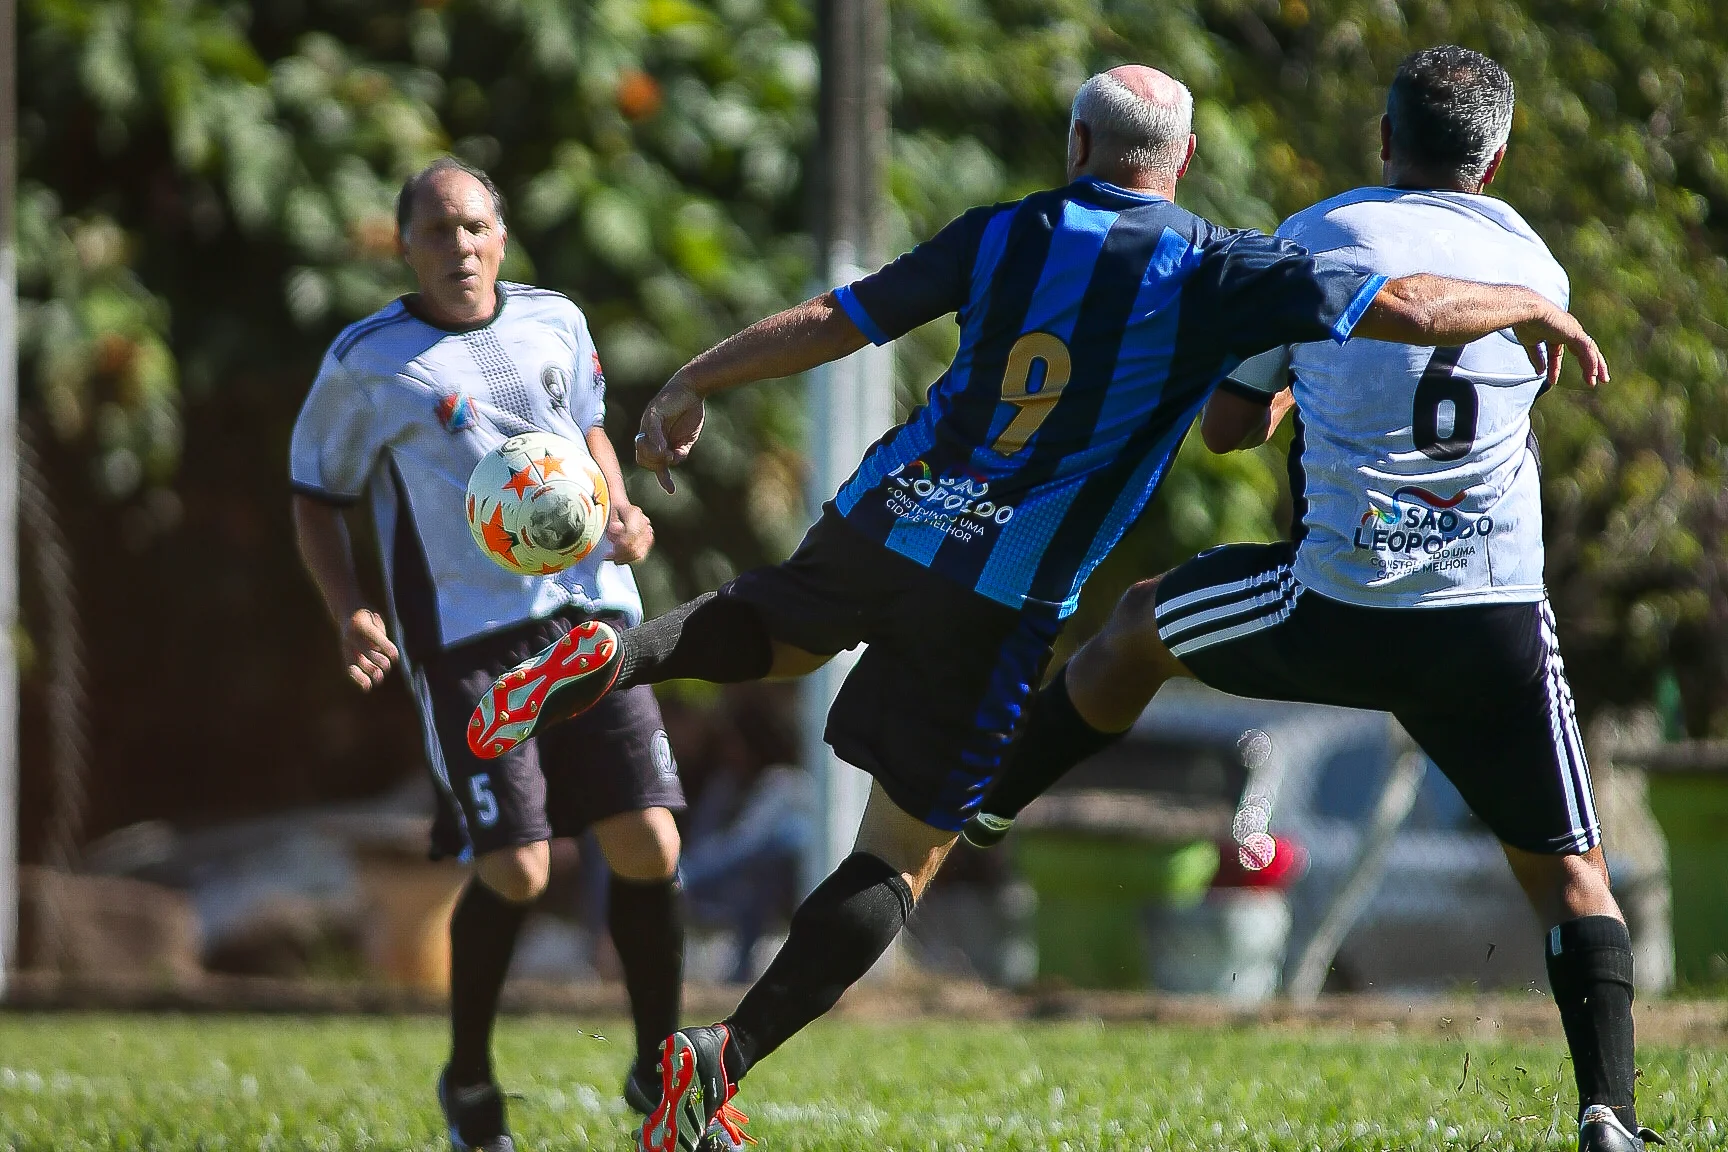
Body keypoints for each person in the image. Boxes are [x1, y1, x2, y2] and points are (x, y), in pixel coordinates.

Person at [468, 65, 1607, 1152]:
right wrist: (1527, 302)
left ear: (1076, 147)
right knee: (902, 858)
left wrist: (698, 378)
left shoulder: (1002, 229)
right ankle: (720, 1056)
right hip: (998, 593)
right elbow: (1404, 308)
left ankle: (614, 654)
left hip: (891, 511)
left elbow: (840, 315)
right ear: (1188, 159)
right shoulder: (1215, 265)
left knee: (774, 633)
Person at [959, 47, 1658, 1152]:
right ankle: (1611, 1113)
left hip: (1338, 609)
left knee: (1137, 627)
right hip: (1491, 622)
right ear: (1498, 157)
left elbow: (1228, 427)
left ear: (1384, 141)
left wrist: (1287, 384)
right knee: (1574, 873)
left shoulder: (1316, 237)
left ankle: (984, 807)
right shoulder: (1536, 265)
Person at [290, 158, 687, 1152]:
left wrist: (625, 510)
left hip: (589, 611)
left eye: (474, 228)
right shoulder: (367, 361)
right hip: (467, 635)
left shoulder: (556, 319)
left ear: (500, 237)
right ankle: (470, 1081)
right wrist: (350, 611)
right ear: (406, 248)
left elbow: (588, 432)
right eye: (437, 232)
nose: (458, 248)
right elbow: (316, 495)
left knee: (650, 842)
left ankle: (658, 1071)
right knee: (519, 868)